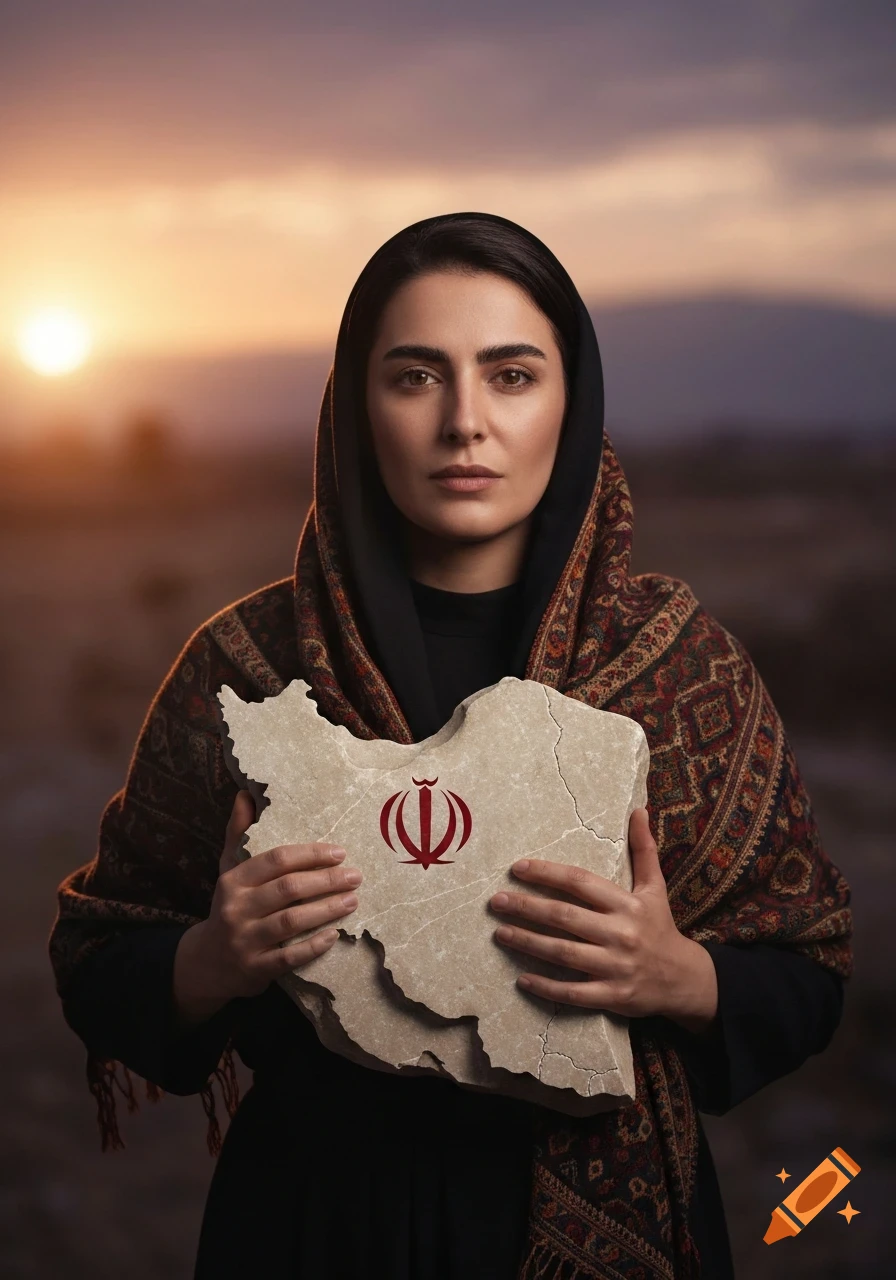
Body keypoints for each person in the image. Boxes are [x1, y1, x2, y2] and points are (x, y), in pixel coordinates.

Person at [49, 211, 852, 1279]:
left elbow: (806, 969)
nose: (463, 422)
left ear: (572, 404)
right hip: (312, 1227)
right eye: (416, 376)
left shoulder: (680, 666)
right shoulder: (246, 669)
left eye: (511, 375)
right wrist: (211, 957)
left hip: (615, 1220)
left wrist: (677, 976)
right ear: (354, 406)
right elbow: (101, 956)